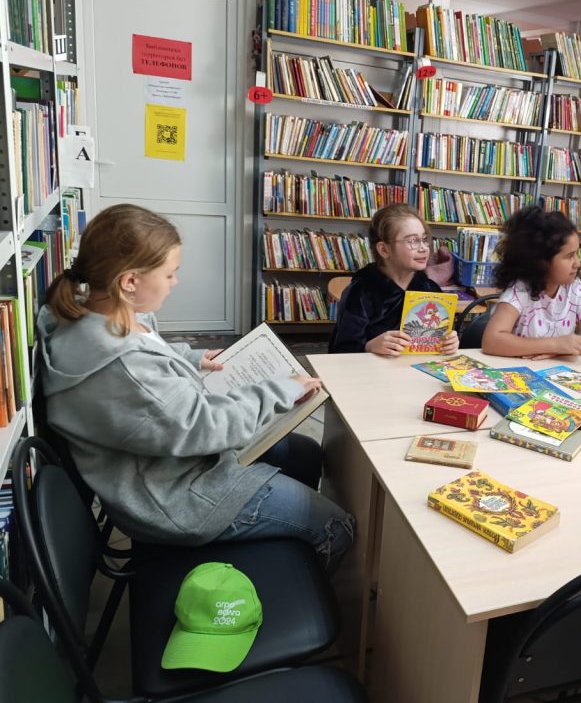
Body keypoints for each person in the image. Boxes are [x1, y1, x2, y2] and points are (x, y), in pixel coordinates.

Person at [38, 204, 353, 570]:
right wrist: (280, 391)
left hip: (175, 470)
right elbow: (206, 426)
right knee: (336, 526)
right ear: (129, 282)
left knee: (303, 453)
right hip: (180, 500)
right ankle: (291, 577)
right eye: (170, 273)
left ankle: (283, 540)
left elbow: (147, 352)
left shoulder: (98, 313)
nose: (175, 282)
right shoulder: (122, 367)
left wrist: (191, 357)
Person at [328, 203, 459, 357]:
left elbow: (440, 336)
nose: (424, 248)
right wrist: (369, 346)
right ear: (384, 250)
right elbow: (340, 352)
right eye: (412, 241)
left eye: (424, 239)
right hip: (372, 369)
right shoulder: (360, 292)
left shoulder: (430, 288)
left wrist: (449, 342)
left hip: (415, 367)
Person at [481, 206, 581, 360]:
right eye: (569, 256)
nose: (578, 263)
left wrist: (560, 349)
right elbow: (491, 341)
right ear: (541, 262)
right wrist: (554, 345)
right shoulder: (520, 291)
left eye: (577, 254)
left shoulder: (574, 288)